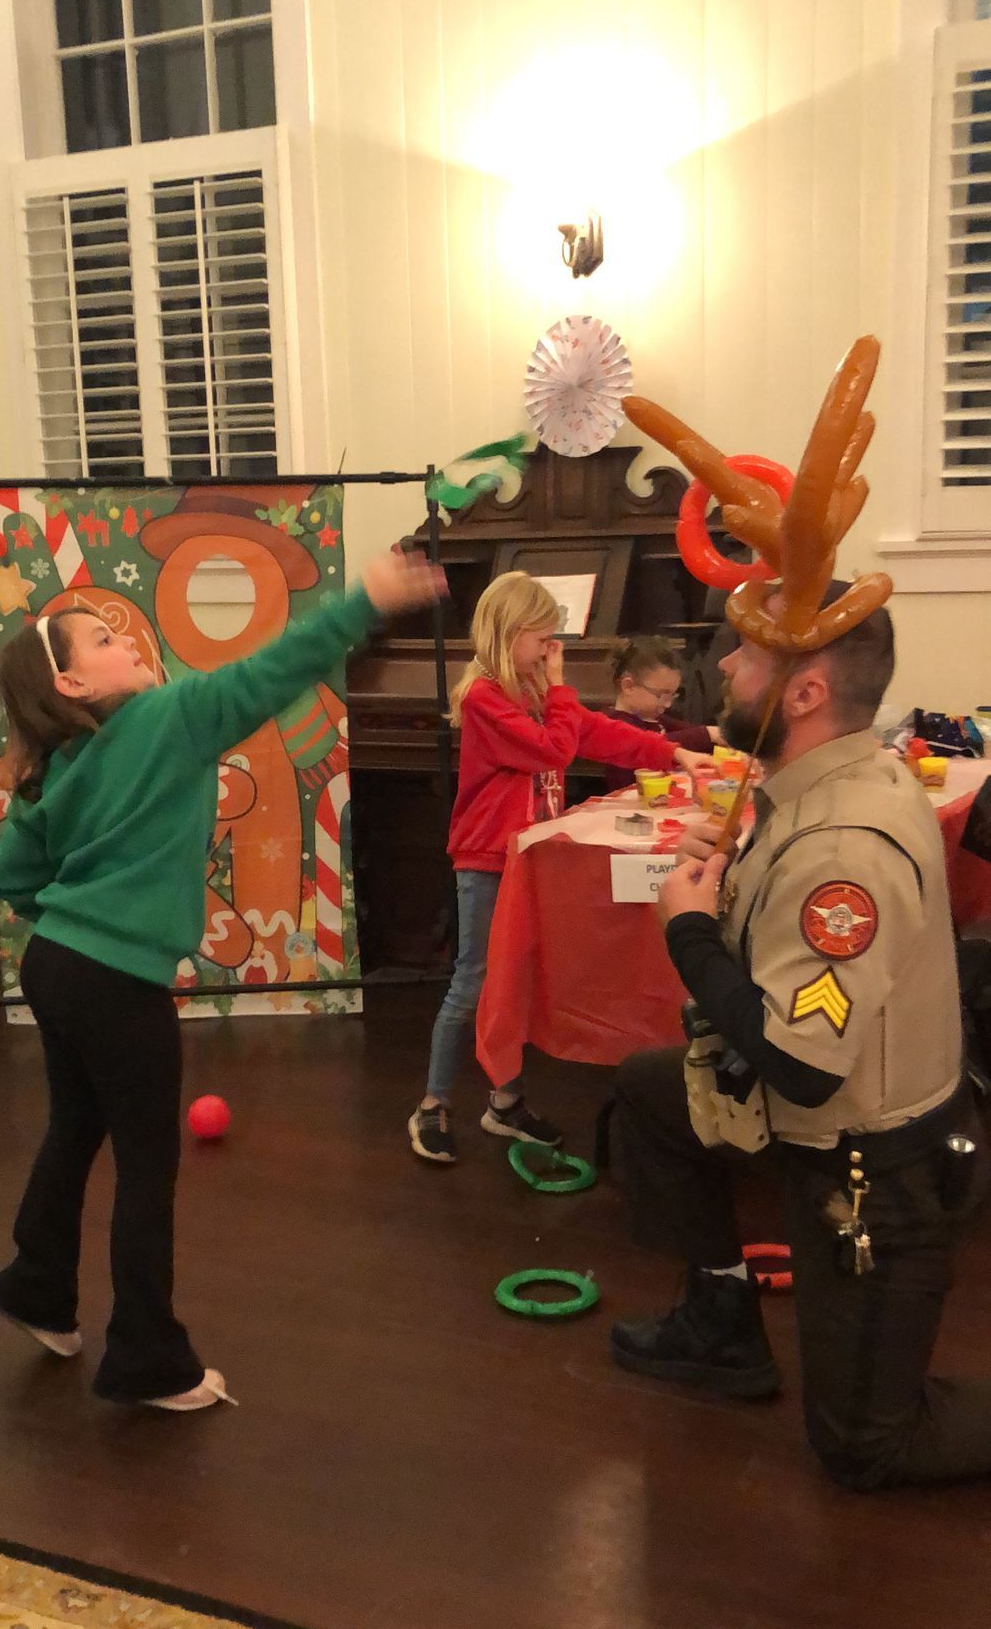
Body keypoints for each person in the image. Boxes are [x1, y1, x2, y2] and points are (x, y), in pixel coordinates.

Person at [0, 549, 446, 1412]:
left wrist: (69, 912)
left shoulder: (58, 765)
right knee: (146, 1165)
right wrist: (366, 601)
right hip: (112, 981)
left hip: (56, 967)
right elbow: (278, 668)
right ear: (72, 685)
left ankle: (36, 1286)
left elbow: (9, 874)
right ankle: (147, 1360)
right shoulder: (172, 716)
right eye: (102, 640)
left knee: (75, 1126)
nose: (127, 639)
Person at [607, 586, 991, 1488]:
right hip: (824, 1112)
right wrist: (725, 885)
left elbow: (798, 1065)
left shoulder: (843, 847)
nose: (724, 666)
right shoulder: (845, 774)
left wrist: (688, 929)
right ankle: (719, 1320)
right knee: (651, 1093)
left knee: (865, 1447)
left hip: (874, 1167)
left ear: (808, 692)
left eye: (746, 656)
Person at [408, 574, 714, 1165]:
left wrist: (674, 752)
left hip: (531, 857)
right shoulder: (485, 697)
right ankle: (432, 1102)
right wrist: (559, 685)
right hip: (489, 859)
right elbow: (553, 749)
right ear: (510, 633)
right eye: (544, 638)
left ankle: (504, 1103)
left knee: (518, 978)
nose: (553, 649)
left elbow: (596, 733)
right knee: (473, 981)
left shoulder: (528, 688)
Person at [600, 635, 719, 793]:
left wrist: (718, 736)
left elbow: (687, 730)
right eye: (662, 695)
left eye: (672, 696)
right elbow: (649, 744)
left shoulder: (653, 718)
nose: (668, 704)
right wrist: (706, 733)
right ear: (629, 686)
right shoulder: (614, 724)